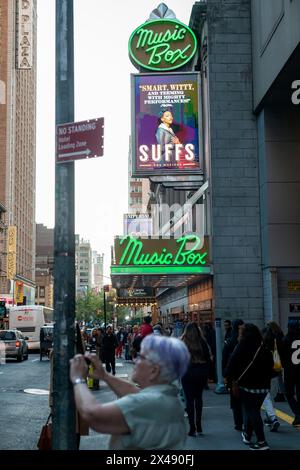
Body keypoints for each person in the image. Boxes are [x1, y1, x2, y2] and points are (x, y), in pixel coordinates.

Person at [69, 334, 190, 450]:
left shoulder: (151, 402)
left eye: (141, 357)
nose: (135, 360)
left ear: (154, 371)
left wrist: (78, 379)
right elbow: (134, 393)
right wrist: (104, 375)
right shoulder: (167, 398)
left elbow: (93, 414)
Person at [225, 323, 274, 450]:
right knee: (252, 410)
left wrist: (228, 378)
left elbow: (231, 363)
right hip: (264, 387)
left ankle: (262, 442)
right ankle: (247, 434)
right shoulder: (264, 347)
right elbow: (271, 367)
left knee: (253, 412)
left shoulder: (242, 346)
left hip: (247, 386)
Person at [181, 322, 211, 437]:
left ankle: (191, 427)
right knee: (199, 398)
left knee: (189, 400)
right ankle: (199, 426)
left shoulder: (183, 342)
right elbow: (208, 358)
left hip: (187, 373)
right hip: (200, 373)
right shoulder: (202, 342)